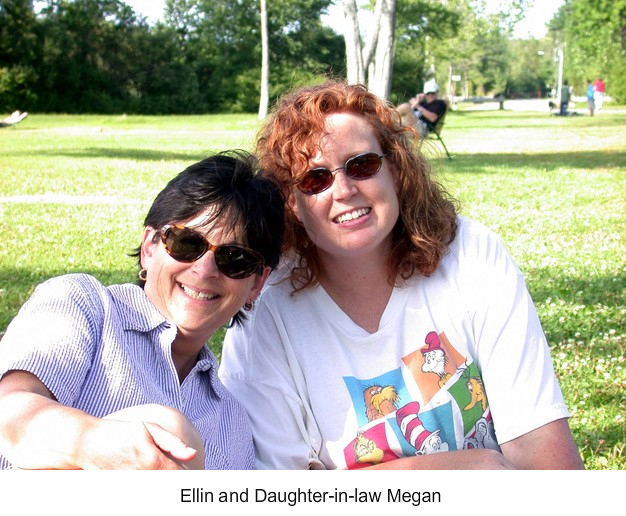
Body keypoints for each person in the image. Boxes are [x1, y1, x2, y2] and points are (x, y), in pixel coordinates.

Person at [218, 81, 584, 470]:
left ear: (394, 169)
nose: (343, 190)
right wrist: (464, 469)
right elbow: (276, 493)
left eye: (362, 165)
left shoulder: (469, 252)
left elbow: (540, 445)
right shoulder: (264, 309)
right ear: (292, 202)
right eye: (315, 179)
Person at [0, 150, 284, 470]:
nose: (204, 270)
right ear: (149, 247)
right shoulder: (82, 306)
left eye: (235, 259)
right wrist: (90, 443)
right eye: (187, 243)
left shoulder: (232, 423)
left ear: (257, 284)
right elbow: (9, 411)